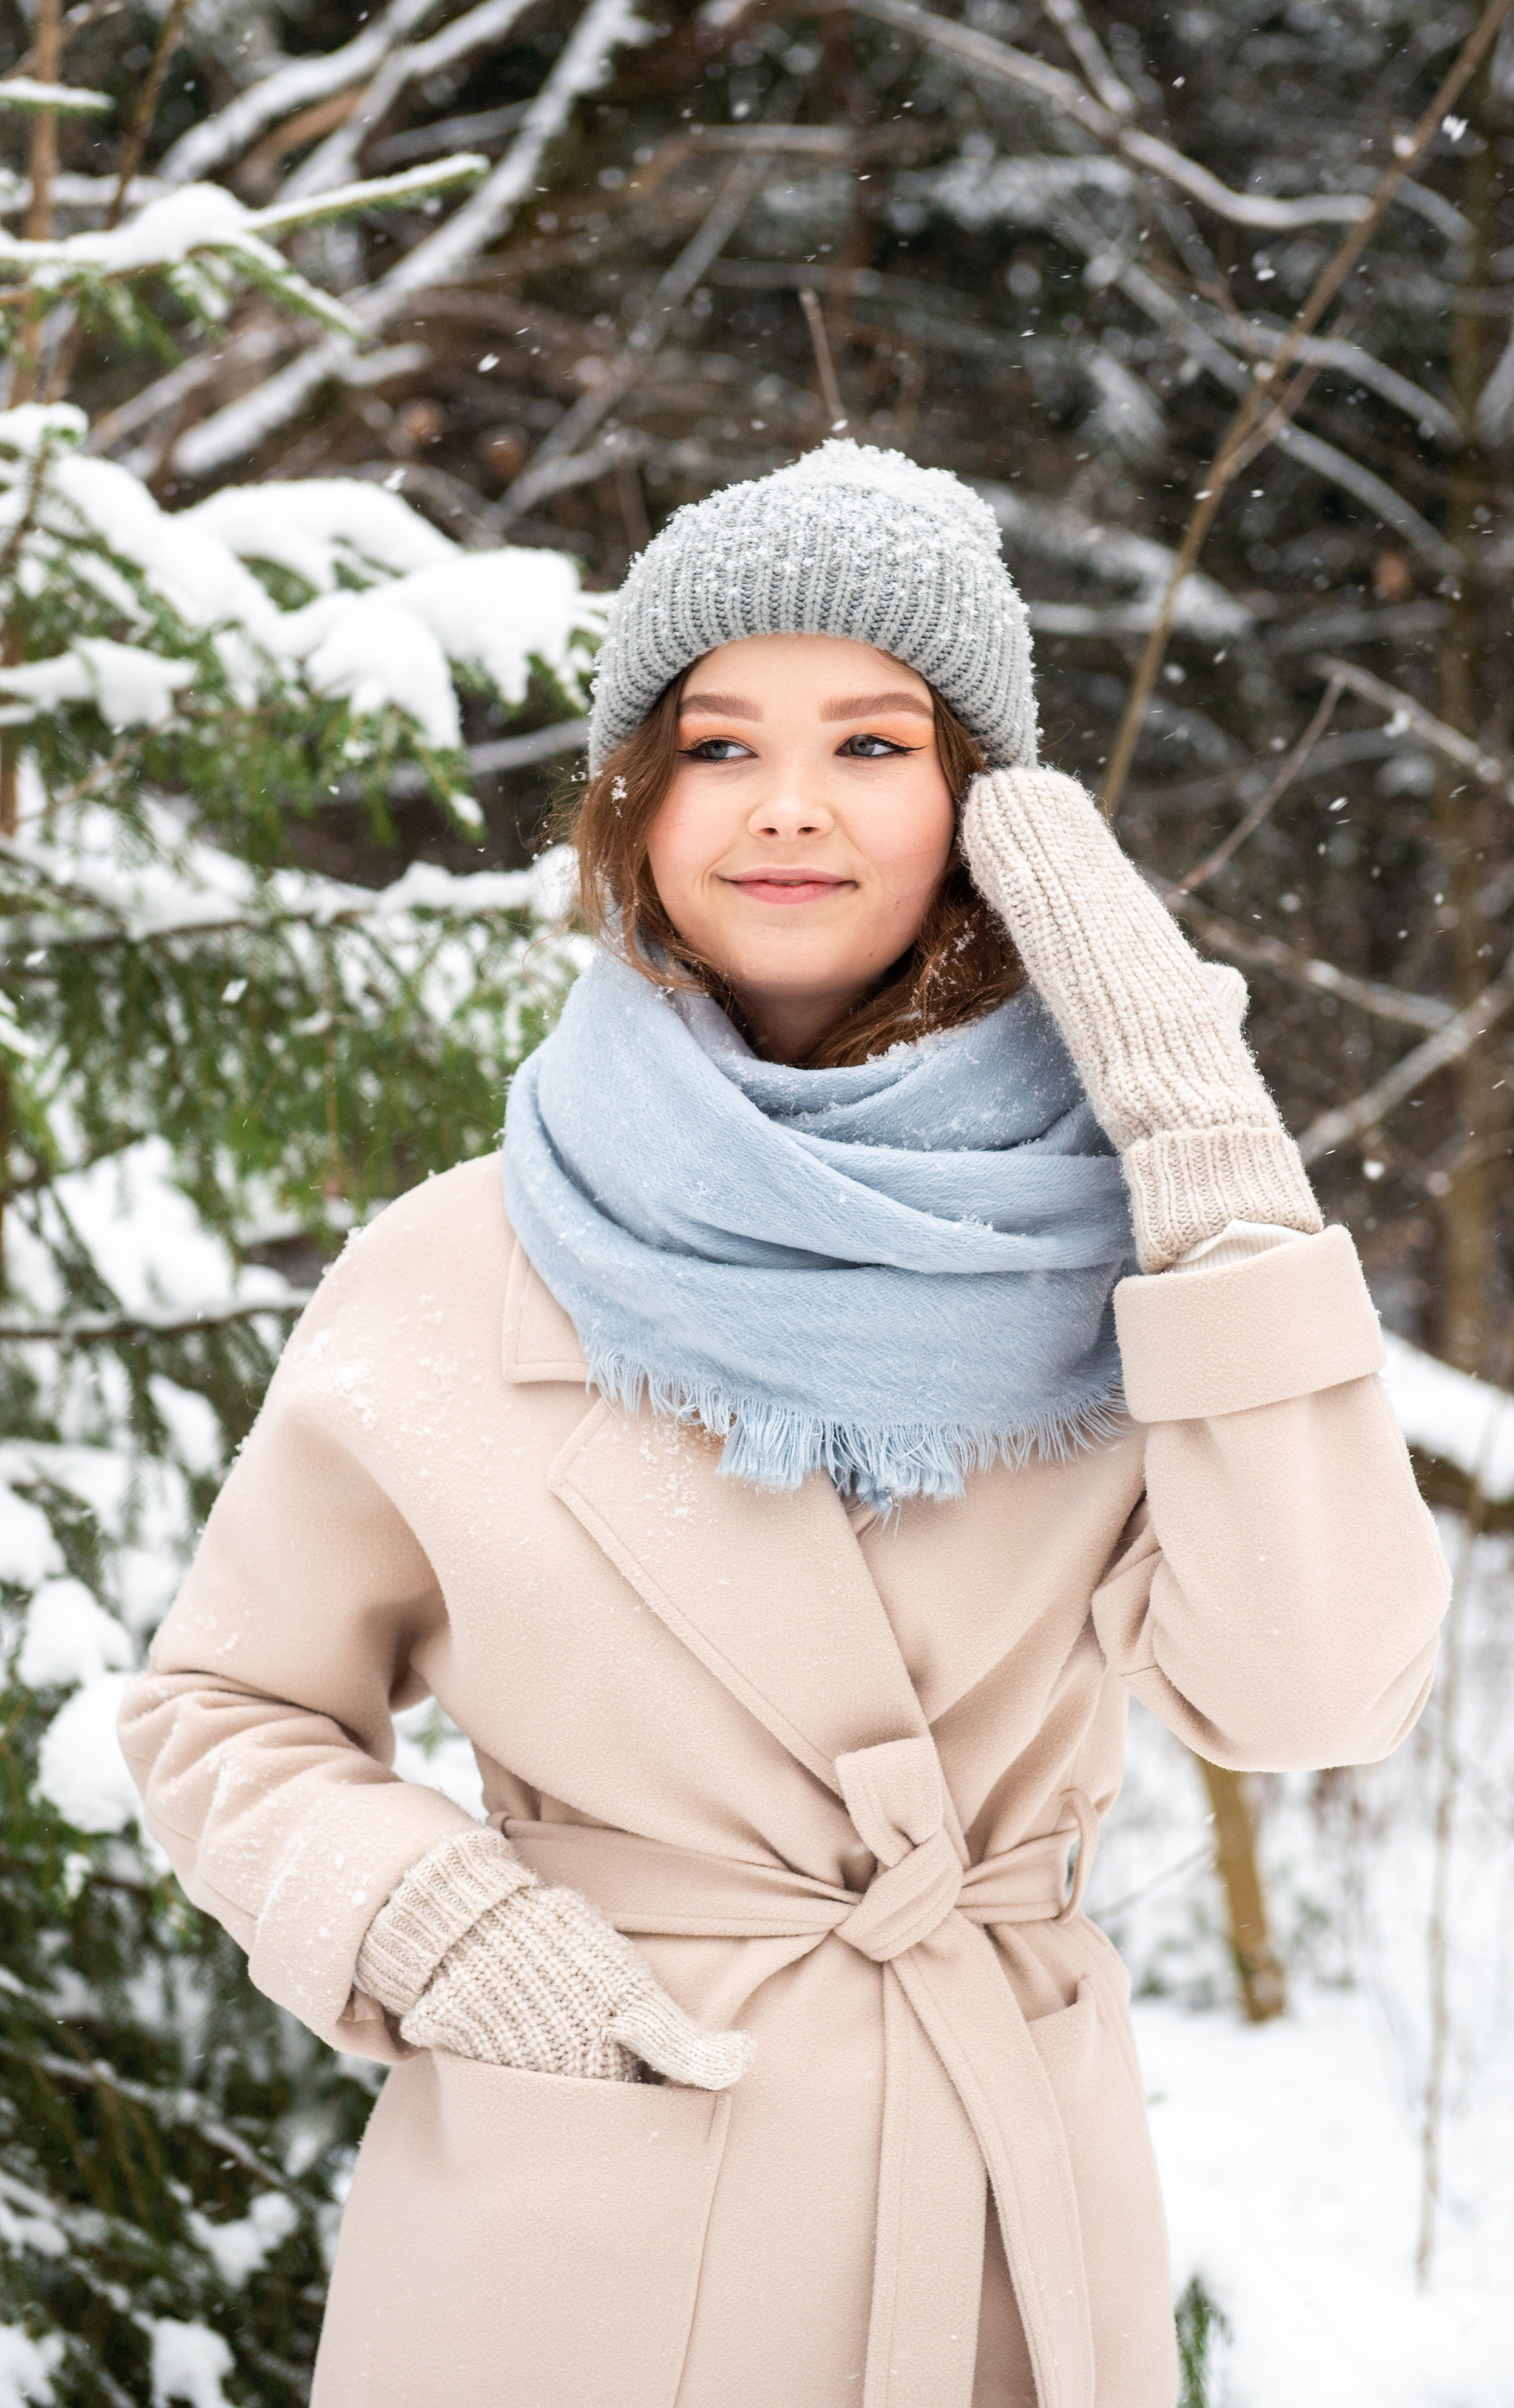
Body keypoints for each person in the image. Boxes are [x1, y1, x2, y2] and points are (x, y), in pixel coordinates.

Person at [119, 442, 1447, 2408]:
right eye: (719, 745)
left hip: (999, 2207)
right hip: (578, 2218)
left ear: (986, 810)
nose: (789, 807)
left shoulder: (1142, 1268)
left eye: (874, 744)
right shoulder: (463, 1260)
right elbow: (224, 1712)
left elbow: (1315, 1693)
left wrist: (1210, 1151)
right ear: (636, 803)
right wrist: (427, 1915)